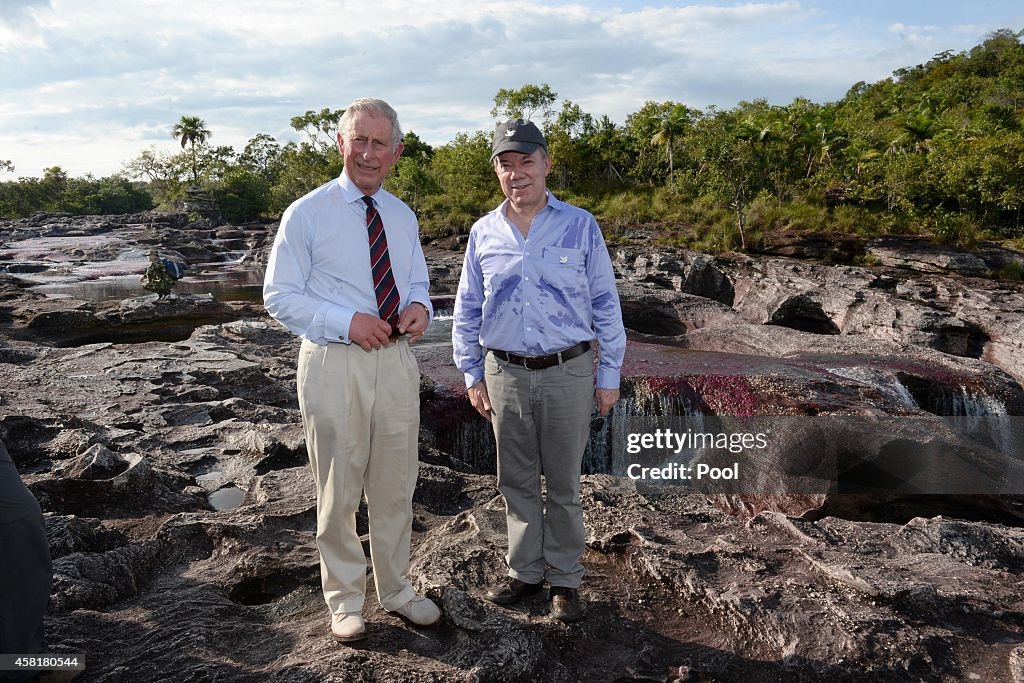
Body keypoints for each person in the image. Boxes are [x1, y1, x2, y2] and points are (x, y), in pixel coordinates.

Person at [263, 97, 440, 643]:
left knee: (394, 484)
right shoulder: (307, 213)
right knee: (338, 488)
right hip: (334, 363)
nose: (367, 152)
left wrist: (420, 308)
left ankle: (396, 589)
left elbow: (415, 283)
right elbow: (278, 296)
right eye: (358, 140)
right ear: (340, 144)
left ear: (396, 152)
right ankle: (344, 600)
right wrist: (346, 322)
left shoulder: (402, 215)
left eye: (379, 143)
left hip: (396, 363)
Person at [451, 119, 626, 622]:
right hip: (503, 372)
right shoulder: (483, 232)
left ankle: (566, 580)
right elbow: (467, 308)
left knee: (566, 483)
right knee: (516, 480)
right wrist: (471, 372)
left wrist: (608, 373)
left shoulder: (580, 224)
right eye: (505, 165)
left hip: (568, 371)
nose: (516, 173)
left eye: (526, 162)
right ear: (497, 173)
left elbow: (604, 302)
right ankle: (526, 572)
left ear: (546, 164)